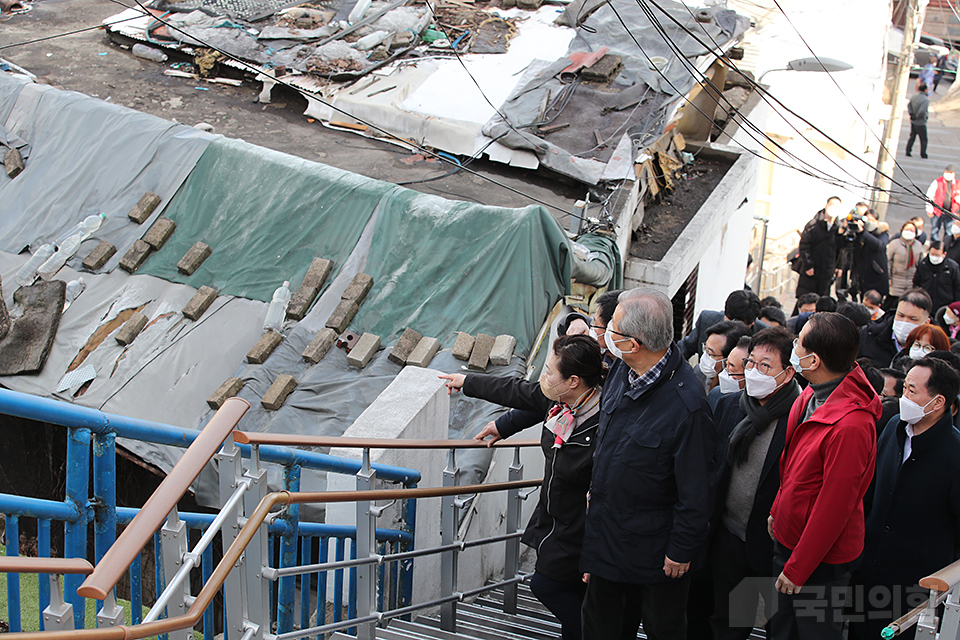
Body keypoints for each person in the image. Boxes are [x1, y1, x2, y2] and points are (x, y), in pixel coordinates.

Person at [439, 335, 604, 640]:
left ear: (573, 381)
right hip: (557, 518)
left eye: (550, 372)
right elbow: (519, 393)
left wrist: (597, 554)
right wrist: (469, 384)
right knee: (569, 595)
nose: (544, 377)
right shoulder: (563, 401)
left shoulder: (606, 424)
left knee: (547, 585)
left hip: (582, 529)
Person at [580, 288, 716, 640]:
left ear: (634, 343)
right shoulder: (622, 374)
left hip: (657, 550)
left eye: (613, 328)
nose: (606, 333)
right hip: (608, 535)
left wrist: (681, 549)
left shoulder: (687, 405)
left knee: (663, 628)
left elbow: (696, 488)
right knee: (599, 626)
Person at [767, 312, 881, 640]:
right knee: (782, 627)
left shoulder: (851, 426)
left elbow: (835, 505)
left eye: (799, 341)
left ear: (814, 359)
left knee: (813, 632)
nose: (793, 345)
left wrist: (799, 567)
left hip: (820, 559)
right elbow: (793, 465)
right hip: (792, 540)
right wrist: (778, 508)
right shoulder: (813, 394)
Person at [849, 358, 960, 640]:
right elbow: (870, 490)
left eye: (911, 391)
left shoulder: (954, 454)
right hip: (869, 568)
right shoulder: (894, 427)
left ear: (937, 403)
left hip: (915, 584)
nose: (903, 397)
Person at [709, 328, 801, 640]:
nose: (754, 372)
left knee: (775, 622)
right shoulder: (731, 406)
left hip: (772, 543)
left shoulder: (798, 418)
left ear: (787, 373)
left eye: (765, 366)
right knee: (729, 620)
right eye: (751, 364)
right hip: (729, 535)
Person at [679, 290, 764, 360]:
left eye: (740, 325)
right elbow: (686, 347)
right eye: (730, 322)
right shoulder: (707, 320)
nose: (733, 328)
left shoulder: (764, 338)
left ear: (753, 322)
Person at [859, 288, 933, 367]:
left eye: (913, 319)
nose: (904, 322)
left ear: (926, 322)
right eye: (900, 315)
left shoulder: (936, 345)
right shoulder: (869, 335)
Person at [795, 198, 845, 301]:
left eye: (837, 206)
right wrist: (808, 265)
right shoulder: (813, 224)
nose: (833, 208)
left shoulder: (839, 227)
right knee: (805, 299)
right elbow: (804, 245)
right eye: (832, 205)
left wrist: (839, 266)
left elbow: (841, 250)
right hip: (811, 270)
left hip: (827, 271)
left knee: (821, 300)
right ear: (826, 206)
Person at [700, 321, 752, 392]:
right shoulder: (699, 373)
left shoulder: (732, 385)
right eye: (705, 348)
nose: (705, 356)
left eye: (711, 353)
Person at [913, 240, 960, 311]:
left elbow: (957, 287)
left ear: (944, 254)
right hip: (925, 305)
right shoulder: (923, 264)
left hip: (944, 306)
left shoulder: (952, 267)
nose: (934, 257)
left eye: (937, 255)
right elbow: (916, 282)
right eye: (932, 254)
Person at [853, 211, 890, 301]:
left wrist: (863, 233)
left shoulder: (882, 233)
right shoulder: (860, 233)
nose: (869, 222)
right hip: (863, 276)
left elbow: (879, 245)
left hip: (877, 276)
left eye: (872, 220)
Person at [887, 221, 924, 308]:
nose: (909, 232)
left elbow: (921, 264)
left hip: (910, 282)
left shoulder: (918, 246)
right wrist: (888, 278)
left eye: (912, 230)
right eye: (907, 229)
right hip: (895, 281)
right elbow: (887, 261)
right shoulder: (894, 244)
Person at [711, 335, 751, 411]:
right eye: (726, 365)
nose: (725, 373)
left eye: (732, 369)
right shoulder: (715, 395)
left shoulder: (751, 409)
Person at [925, 165, 960, 241]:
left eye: (950, 172)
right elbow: (929, 195)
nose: (948, 174)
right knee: (935, 230)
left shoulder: (958, 184)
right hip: (937, 211)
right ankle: (934, 245)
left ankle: (946, 247)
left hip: (950, 213)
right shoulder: (938, 182)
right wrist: (929, 209)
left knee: (949, 232)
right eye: (947, 172)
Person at [906, 83, 929, 158]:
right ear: (925, 90)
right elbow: (922, 111)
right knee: (923, 139)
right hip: (920, 122)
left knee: (912, 136)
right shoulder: (925, 100)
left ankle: (908, 150)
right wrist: (916, 116)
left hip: (913, 121)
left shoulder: (914, 96)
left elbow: (909, 105)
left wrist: (911, 114)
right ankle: (923, 153)